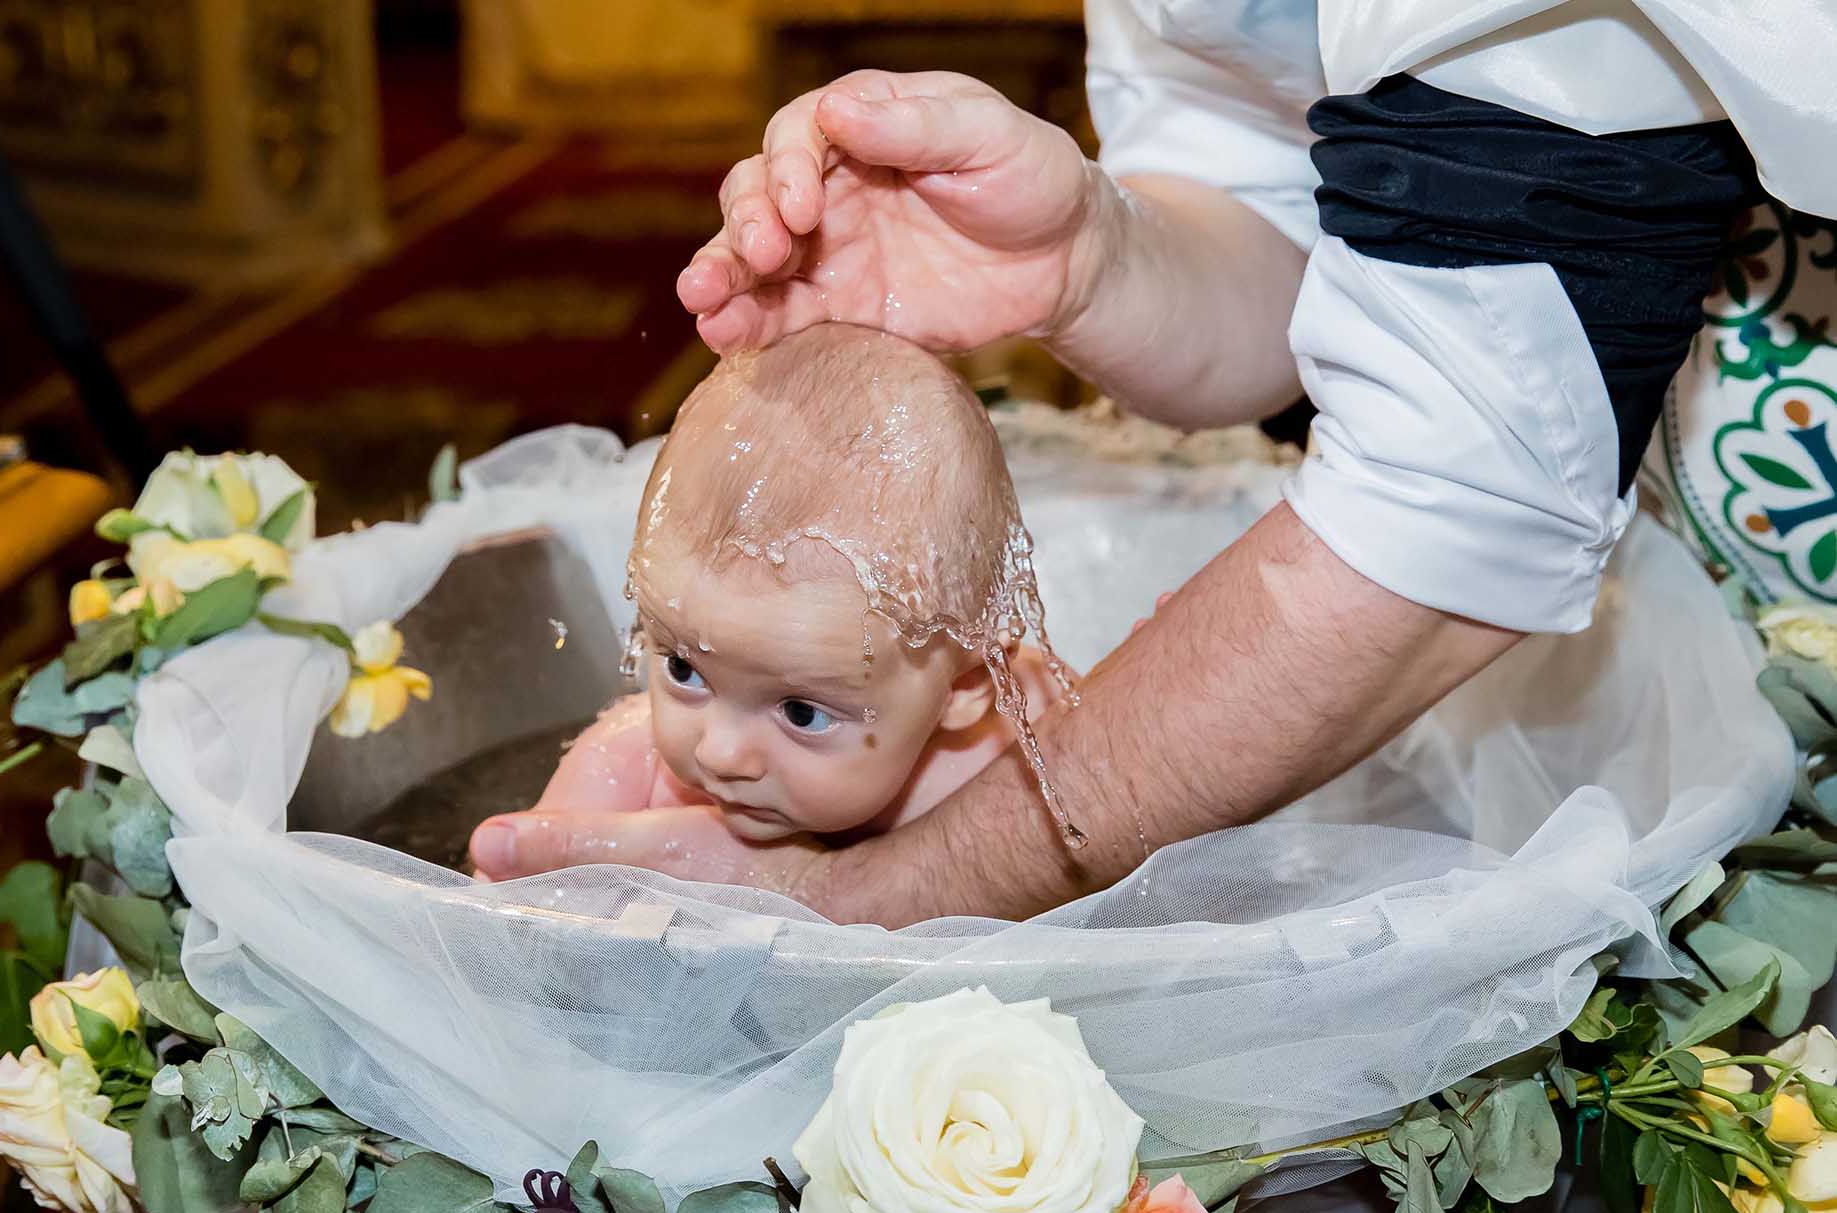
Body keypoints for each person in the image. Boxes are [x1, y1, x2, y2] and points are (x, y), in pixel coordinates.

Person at [468, 0, 1837, 924]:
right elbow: (1306, 214)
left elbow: (1450, 512)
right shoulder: (652, 753)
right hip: (1566, 525)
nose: (717, 740)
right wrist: (1092, 256)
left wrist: (853, 904)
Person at [476, 321, 1067, 878]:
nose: (722, 753)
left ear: (963, 688)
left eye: (801, 712)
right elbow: (513, 944)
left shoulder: (1011, 765)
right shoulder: (623, 778)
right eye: (684, 669)